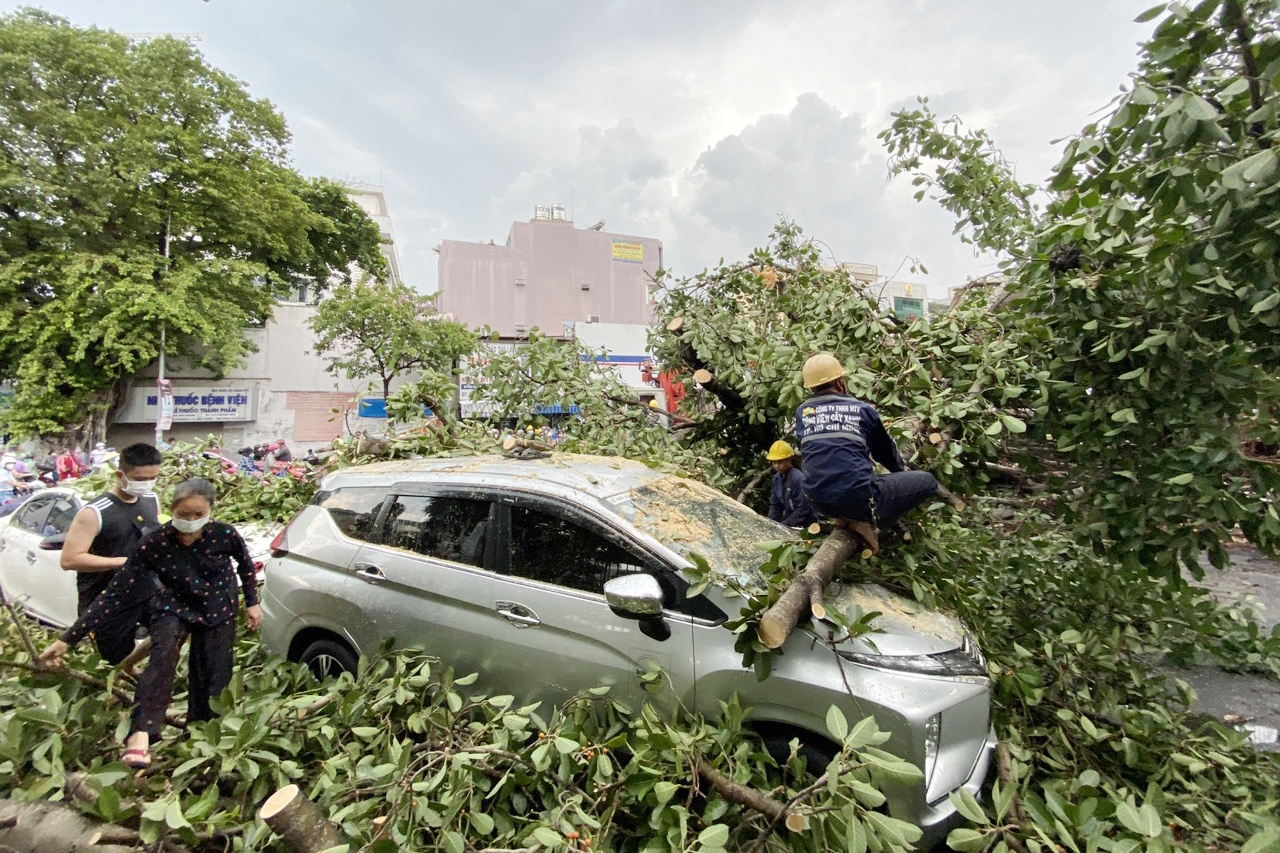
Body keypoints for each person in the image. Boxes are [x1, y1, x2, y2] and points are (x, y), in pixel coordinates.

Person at [39, 477, 262, 768]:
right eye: (184, 515)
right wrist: (67, 639)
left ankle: (201, 735)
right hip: (173, 605)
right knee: (161, 661)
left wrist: (253, 603)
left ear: (210, 512)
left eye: (198, 515)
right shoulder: (154, 543)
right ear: (172, 511)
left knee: (212, 674)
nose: (191, 522)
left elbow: (246, 566)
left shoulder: (224, 534)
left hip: (217, 606)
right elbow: (115, 593)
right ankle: (142, 733)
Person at [794, 353, 937, 553]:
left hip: (817, 500)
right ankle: (866, 521)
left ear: (810, 387)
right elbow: (884, 451)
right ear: (841, 382)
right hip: (859, 499)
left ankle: (845, 516)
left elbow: (823, 451)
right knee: (927, 482)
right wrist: (900, 470)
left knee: (846, 478)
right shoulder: (862, 409)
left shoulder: (802, 412)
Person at [60, 443, 163, 664]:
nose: (146, 484)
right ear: (120, 474)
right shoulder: (95, 512)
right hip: (105, 600)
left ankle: (134, 674)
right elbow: (69, 559)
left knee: (168, 633)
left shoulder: (151, 500)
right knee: (113, 661)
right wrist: (124, 562)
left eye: (152, 478)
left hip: (144, 592)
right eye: (139, 478)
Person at [765, 440, 818, 528]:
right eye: (774, 462)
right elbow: (775, 505)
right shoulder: (776, 479)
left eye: (780, 462)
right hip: (791, 520)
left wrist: (784, 525)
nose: (777, 466)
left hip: (806, 524)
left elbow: (803, 509)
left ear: (789, 460)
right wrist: (771, 524)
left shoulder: (798, 478)